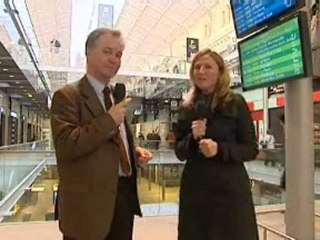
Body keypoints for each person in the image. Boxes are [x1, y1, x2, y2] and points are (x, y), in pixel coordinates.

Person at [50, 28, 153, 240]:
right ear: (89, 53)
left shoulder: (114, 96)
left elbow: (110, 142)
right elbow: (66, 145)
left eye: (119, 54)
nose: (114, 59)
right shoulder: (67, 96)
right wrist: (108, 120)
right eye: (108, 51)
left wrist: (133, 154)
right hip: (87, 209)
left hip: (123, 202)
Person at [174, 49, 259, 240]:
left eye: (207, 67)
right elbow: (179, 152)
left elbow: (250, 149)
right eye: (197, 67)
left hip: (229, 190)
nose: (201, 71)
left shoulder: (235, 103)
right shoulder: (186, 108)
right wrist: (192, 137)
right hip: (196, 191)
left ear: (220, 72)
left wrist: (220, 149)